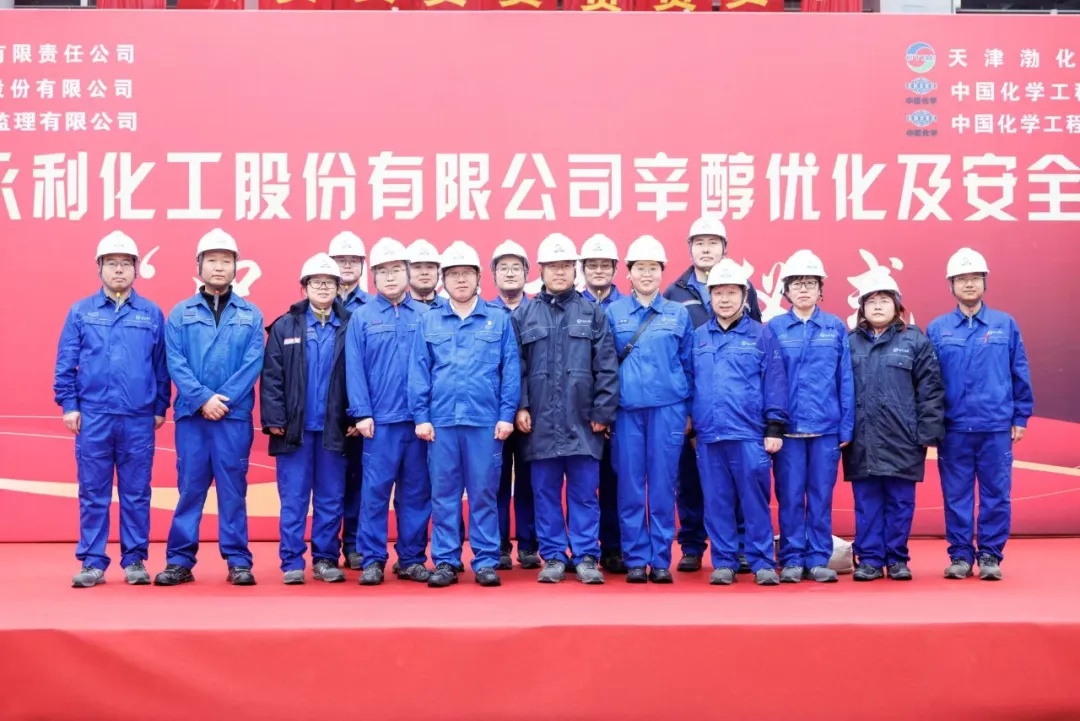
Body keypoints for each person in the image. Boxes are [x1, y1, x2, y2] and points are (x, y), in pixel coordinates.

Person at [54, 231, 170, 588]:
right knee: (93, 492)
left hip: (137, 417)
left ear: (136, 269)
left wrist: (160, 406)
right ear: (99, 268)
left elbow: (161, 366)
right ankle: (92, 562)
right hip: (94, 416)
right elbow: (66, 364)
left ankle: (135, 560)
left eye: (125, 264)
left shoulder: (150, 313)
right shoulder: (81, 311)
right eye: (111, 263)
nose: (119, 270)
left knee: (137, 492)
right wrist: (70, 405)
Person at [155, 229, 265, 586]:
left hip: (233, 417)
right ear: (199, 266)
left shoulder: (250, 314)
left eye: (226, 261)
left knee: (233, 490)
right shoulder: (181, 313)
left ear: (236, 266)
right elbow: (175, 360)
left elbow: (252, 363)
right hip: (193, 416)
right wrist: (202, 398)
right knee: (190, 488)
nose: (219, 267)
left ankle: (238, 560)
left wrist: (222, 400)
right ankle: (179, 560)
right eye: (212, 260)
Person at [409, 241, 520, 588]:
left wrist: (506, 415)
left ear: (478, 278)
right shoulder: (429, 320)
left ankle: (486, 560)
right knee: (444, 495)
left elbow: (510, 371)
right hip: (442, 423)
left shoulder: (498, 320)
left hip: (485, 423)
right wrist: (421, 416)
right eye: (454, 274)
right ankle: (446, 560)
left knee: (484, 493)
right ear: (443, 280)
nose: (460, 280)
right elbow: (419, 371)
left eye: (466, 274)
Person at [513, 233, 619, 585]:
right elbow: (516, 367)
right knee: (544, 494)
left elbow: (607, 366)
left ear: (575, 271)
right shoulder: (524, 314)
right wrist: (521, 406)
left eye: (564, 266)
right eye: (552, 266)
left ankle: (586, 555)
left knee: (584, 494)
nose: (559, 272)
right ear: (541, 270)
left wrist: (602, 412)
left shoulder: (592, 313)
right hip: (540, 422)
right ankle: (555, 556)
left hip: (583, 421)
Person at [928, 248, 1033, 581]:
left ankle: (990, 554)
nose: (969, 284)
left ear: (985, 282)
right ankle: (960, 555)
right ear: (951, 285)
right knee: (955, 496)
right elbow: (929, 382)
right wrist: (932, 423)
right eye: (962, 279)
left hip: (995, 426)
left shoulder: (1004, 324)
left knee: (996, 495)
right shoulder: (938, 328)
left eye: (975, 278)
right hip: (954, 428)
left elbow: (1019, 371)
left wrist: (1020, 416)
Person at [664, 215, 761, 573]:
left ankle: (740, 547)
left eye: (713, 243)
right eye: (699, 243)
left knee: (737, 482)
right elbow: (672, 353)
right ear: (689, 248)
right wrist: (686, 409)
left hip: (736, 407)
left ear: (725, 248)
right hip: (694, 403)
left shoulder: (744, 287)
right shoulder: (674, 292)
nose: (706, 249)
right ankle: (692, 545)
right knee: (689, 480)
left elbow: (756, 342)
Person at [690, 259, 788, 587]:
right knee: (716, 502)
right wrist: (691, 426)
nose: (725, 299)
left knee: (754, 501)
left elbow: (775, 382)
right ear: (710, 297)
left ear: (744, 296)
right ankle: (724, 562)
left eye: (732, 292)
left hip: (749, 434)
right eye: (718, 293)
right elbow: (689, 382)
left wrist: (774, 427)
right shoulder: (698, 337)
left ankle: (762, 561)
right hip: (709, 435)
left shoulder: (762, 335)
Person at [844, 271, 944, 582]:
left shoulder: (915, 341)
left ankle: (897, 558)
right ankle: (870, 560)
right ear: (862, 307)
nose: (877, 306)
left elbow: (931, 389)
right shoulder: (849, 343)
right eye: (871, 300)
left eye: (884, 300)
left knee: (901, 503)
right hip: (862, 439)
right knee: (867, 503)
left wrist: (927, 433)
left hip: (904, 437)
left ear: (898, 306)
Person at [606, 235, 693, 584]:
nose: (646, 274)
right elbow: (605, 367)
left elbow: (689, 364)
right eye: (640, 268)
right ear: (628, 273)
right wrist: (605, 411)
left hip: (668, 411)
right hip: (626, 412)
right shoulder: (613, 313)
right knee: (629, 487)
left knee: (662, 486)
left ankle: (659, 559)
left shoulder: (678, 313)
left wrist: (689, 411)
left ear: (662, 272)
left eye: (653, 268)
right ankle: (635, 558)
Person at [261, 253, 352, 585]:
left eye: (329, 282)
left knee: (331, 498)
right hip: (294, 430)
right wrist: (274, 417)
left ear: (339, 287)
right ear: (304, 287)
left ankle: (325, 559)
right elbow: (272, 376)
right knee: (294, 498)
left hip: (335, 430)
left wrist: (355, 416)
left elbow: (359, 375)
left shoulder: (351, 325)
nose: (323, 287)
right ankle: (292, 561)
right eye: (316, 282)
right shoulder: (286, 325)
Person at [347, 238, 433, 585]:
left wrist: (430, 415)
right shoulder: (362, 317)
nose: (390, 277)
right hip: (380, 423)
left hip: (418, 422)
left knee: (416, 493)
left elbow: (436, 366)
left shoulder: (426, 315)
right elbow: (354, 368)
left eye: (396, 269)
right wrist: (361, 412)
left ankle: (411, 559)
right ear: (373, 277)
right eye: (383, 271)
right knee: (374, 493)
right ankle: (372, 559)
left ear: (408, 273)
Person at [767, 250, 855, 584]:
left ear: (821, 289)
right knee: (789, 497)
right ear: (786, 291)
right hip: (788, 432)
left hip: (825, 430)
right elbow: (769, 380)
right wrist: (770, 425)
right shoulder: (775, 328)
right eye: (796, 284)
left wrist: (846, 426)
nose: (803, 289)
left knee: (820, 497)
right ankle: (791, 558)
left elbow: (845, 379)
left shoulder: (834, 328)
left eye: (810, 283)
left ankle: (818, 558)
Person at [488, 240, 540, 571]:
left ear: (527, 273)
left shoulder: (539, 312)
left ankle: (529, 544)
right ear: (493, 275)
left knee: (530, 480)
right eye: (503, 268)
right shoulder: (485, 313)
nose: (510, 273)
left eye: (516, 268)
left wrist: (525, 404)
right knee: (494, 480)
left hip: (533, 412)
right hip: (492, 412)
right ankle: (498, 545)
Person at [579, 233, 626, 574]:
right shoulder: (570, 305)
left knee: (614, 483)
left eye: (604, 265)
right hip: (577, 412)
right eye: (592, 265)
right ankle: (581, 551)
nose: (598, 270)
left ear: (615, 269)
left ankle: (612, 547)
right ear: (582, 269)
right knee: (580, 486)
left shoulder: (626, 307)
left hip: (617, 411)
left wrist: (607, 410)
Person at [329, 230, 369, 571]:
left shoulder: (371, 308)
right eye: (340, 260)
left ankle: (354, 545)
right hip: (325, 411)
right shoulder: (318, 303)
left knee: (359, 483)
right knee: (329, 486)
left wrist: (360, 412)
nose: (346, 266)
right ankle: (325, 551)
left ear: (363, 265)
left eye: (353, 260)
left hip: (361, 412)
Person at [407, 239, 447, 310]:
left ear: (438, 272)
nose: (424, 272)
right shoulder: (395, 310)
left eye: (430, 267)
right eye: (417, 267)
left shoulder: (451, 308)